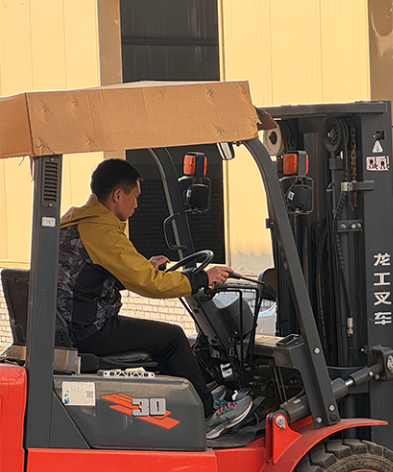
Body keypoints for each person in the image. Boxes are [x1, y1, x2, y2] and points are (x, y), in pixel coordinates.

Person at [57, 158, 252, 439]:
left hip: (72, 324)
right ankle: (208, 416)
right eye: (135, 197)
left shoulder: (75, 223)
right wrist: (202, 278)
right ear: (118, 195)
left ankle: (191, 403)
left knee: (162, 339)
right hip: (89, 331)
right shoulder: (102, 232)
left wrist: (147, 267)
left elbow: (94, 276)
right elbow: (149, 285)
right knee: (172, 338)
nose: (136, 205)